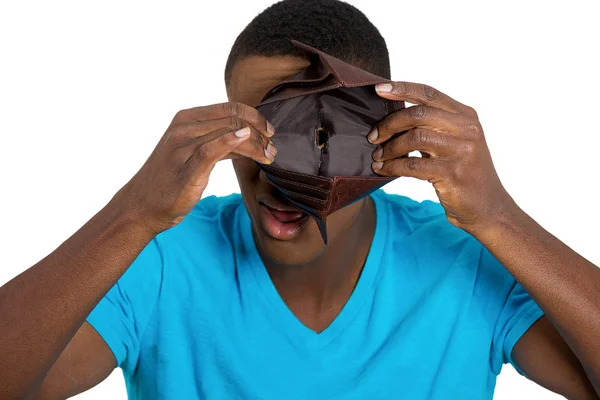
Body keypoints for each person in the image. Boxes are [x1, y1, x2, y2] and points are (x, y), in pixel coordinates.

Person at [1, 0, 599, 399]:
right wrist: (132, 213)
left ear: (385, 137)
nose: (275, 174)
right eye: (255, 133)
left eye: (315, 139)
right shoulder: (159, 260)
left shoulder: (465, 264)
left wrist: (500, 218)